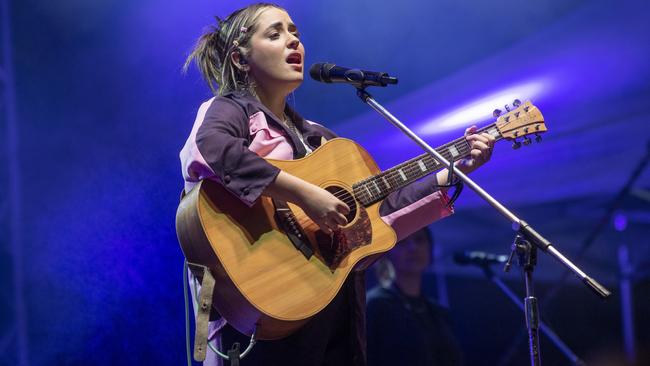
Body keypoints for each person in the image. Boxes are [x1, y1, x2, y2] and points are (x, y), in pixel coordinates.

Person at [179, 3, 495, 365]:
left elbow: (383, 209)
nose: (293, 41)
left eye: (295, 32)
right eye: (275, 33)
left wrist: (454, 170)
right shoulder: (229, 109)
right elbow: (214, 149)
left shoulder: (320, 139)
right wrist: (304, 194)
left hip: (328, 307)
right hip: (267, 303)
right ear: (239, 58)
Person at [366, 227, 464, 366]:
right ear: (388, 252)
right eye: (403, 242)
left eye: (420, 240)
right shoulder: (375, 305)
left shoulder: (439, 312)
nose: (413, 248)